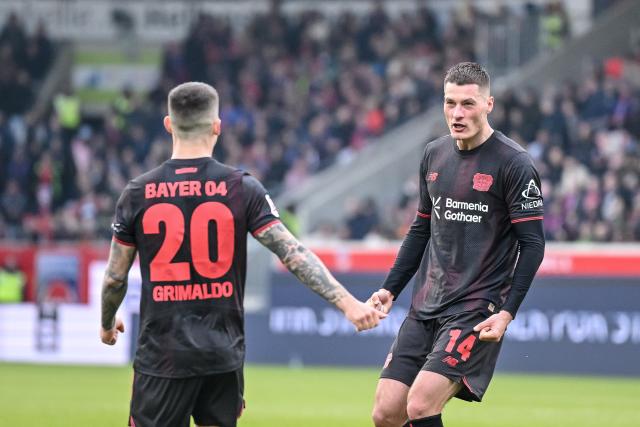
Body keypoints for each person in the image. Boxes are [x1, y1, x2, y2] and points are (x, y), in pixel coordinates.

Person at [99, 82, 386, 427]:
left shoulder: (137, 192)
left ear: (168, 124)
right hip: (222, 354)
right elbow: (291, 252)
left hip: (162, 355)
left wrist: (106, 323)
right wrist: (349, 305)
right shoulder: (241, 188)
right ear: (217, 126)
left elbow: (116, 276)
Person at [368, 62, 545, 427]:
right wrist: (390, 288)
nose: (457, 113)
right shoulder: (434, 154)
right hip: (426, 304)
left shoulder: (514, 164)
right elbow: (420, 229)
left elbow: (533, 245)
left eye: (468, 103)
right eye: (450, 103)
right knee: (386, 413)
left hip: (475, 309)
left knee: (420, 404)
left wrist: (507, 312)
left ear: (489, 104)